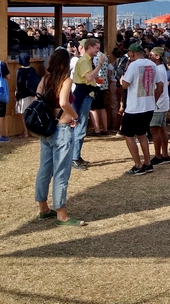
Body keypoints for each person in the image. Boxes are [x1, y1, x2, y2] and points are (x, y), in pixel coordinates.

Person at [34, 48, 85, 226]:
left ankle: (43, 208)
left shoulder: (44, 80)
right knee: (61, 172)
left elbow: (37, 99)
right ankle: (61, 214)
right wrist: (75, 116)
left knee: (44, 169)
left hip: (46, 128)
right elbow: (64, 102)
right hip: (62, 128)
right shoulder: (65, 80)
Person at [119, 42, 161, 175]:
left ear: (132, 53)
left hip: (135, 107)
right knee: (142, 133)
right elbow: (159, 84)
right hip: (148, 105)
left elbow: (125, 85)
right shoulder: (152, 64)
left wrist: (121, 79)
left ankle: (138, 165)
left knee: (128, 134)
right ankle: (147, 163)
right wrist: (154, 99)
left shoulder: (133, 65)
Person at [70, 38, 107, 170]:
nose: (98, 50)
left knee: (80, 126)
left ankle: (76, 156)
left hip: (85, 94)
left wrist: (95, 78)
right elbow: (89, 77)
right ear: (89, 47)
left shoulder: (86, 60)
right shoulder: (85, 61)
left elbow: (89, 77)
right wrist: (100, 64)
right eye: (97, 48)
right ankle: (74, 158)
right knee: (80, 127)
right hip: (83, 96)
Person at [147, 47, 170, 165]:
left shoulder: (158, 69)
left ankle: (158, 155)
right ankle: (165, 155)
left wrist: (154, 101)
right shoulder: (161, 68)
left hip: (158, 103)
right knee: (161, 129)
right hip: (162, 102)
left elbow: (159, 88)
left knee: (154, 129)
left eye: (151, 55)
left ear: (157, 57)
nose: (149, 56)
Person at [14, 52, 41, 139]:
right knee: (31, 114)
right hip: (32, 94)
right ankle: (32, 131)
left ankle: (26, 132)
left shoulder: (19, 71)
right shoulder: (32, 69)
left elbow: (19, 84)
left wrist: (16, 92)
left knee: (23, 114)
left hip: (23, 95)